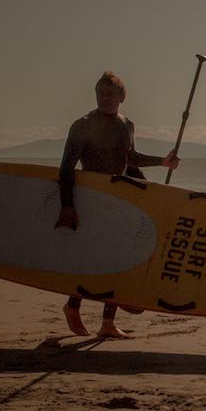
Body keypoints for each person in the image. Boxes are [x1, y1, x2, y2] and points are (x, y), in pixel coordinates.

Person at [56, 71, 179, 338]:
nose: (105, 98)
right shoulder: (83, 125)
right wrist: (67, 206)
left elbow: (130, 159)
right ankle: (72, 304)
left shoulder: (126, 125)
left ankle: (107, 323)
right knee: (93, 260)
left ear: (122, 97)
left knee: (120, 261)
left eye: (110, 94)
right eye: (101, 93)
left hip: (120, 200)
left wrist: (162, 162)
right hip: (92, 199)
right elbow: (66, 168)